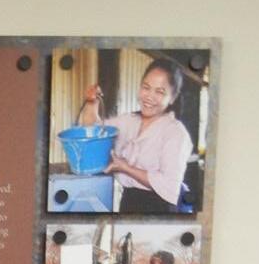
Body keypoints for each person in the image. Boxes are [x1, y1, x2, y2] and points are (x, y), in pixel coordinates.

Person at [79, 59, 193, 214]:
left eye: (159, 92)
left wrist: (126, 168)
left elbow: (169, 185)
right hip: (129, 202)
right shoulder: (129, 121)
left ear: (172, 97)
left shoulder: (175, 132)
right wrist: (92, 103)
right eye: (146, 87)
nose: (149, 96)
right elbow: (94, 131)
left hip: (160, 208)